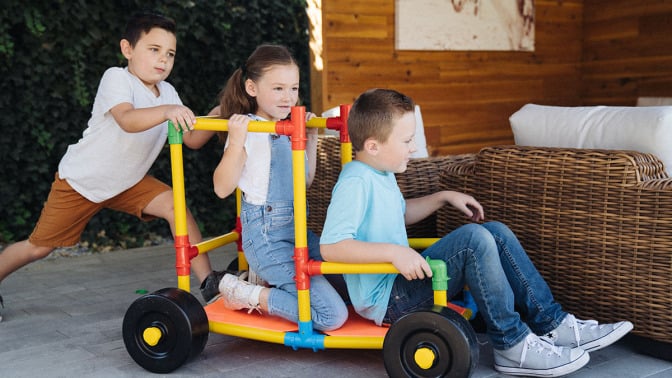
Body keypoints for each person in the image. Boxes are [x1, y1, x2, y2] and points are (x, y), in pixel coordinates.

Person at [319, 88, 634, 377]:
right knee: (473, 239)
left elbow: (399, 213)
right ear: (373, 146)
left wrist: (443, 197)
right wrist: (393, 252)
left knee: (493, 231)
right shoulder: (356, 182)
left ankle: (552, 323)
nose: (414, 148)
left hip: (402, 286)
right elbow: (332, 247)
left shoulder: (380, 172)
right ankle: (511, 344)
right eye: (406, 141)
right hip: (390, 299)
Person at [0, 11, 225, 322]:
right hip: (83, 180)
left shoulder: (168, 92)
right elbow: (128, 120)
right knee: (38, 248)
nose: (163, 60)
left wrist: (219, 111)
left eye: (170, 53)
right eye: (154, 49)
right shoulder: (117, 78)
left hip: (128, 182)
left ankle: (208, 283)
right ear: (127, 49)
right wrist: (168, 111)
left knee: (177, 205)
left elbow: (193, 140)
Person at [210, 44, 347, 331]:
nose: (288, 97)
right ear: (251, 88)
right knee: (331, 315)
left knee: (350, 283)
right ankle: (247, 292)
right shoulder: (250, 128)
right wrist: (234, 142)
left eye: (293, 88)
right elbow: (221, 188)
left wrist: (310, 138)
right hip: (268, 240)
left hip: (297, 233)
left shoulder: (285, 129)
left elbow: (304, 182)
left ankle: (267, 281)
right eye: (278, 89)